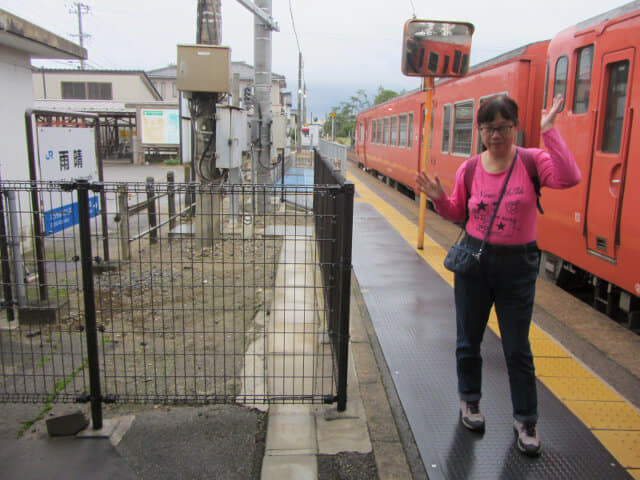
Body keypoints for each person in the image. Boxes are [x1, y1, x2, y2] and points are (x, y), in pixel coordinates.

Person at [415, 94, 581, 456]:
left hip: (518, 267)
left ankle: (526, 420)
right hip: (475, 263)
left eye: (504, 127)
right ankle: (470, 401)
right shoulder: (470, 169)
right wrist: (441, 198)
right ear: (480, 131)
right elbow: (458, 211)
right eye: (489, 128)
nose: (496, 135)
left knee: (518, 347)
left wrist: (550, 130)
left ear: (515, 127)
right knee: (468, 339)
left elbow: (570, 177)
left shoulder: (532, 160)